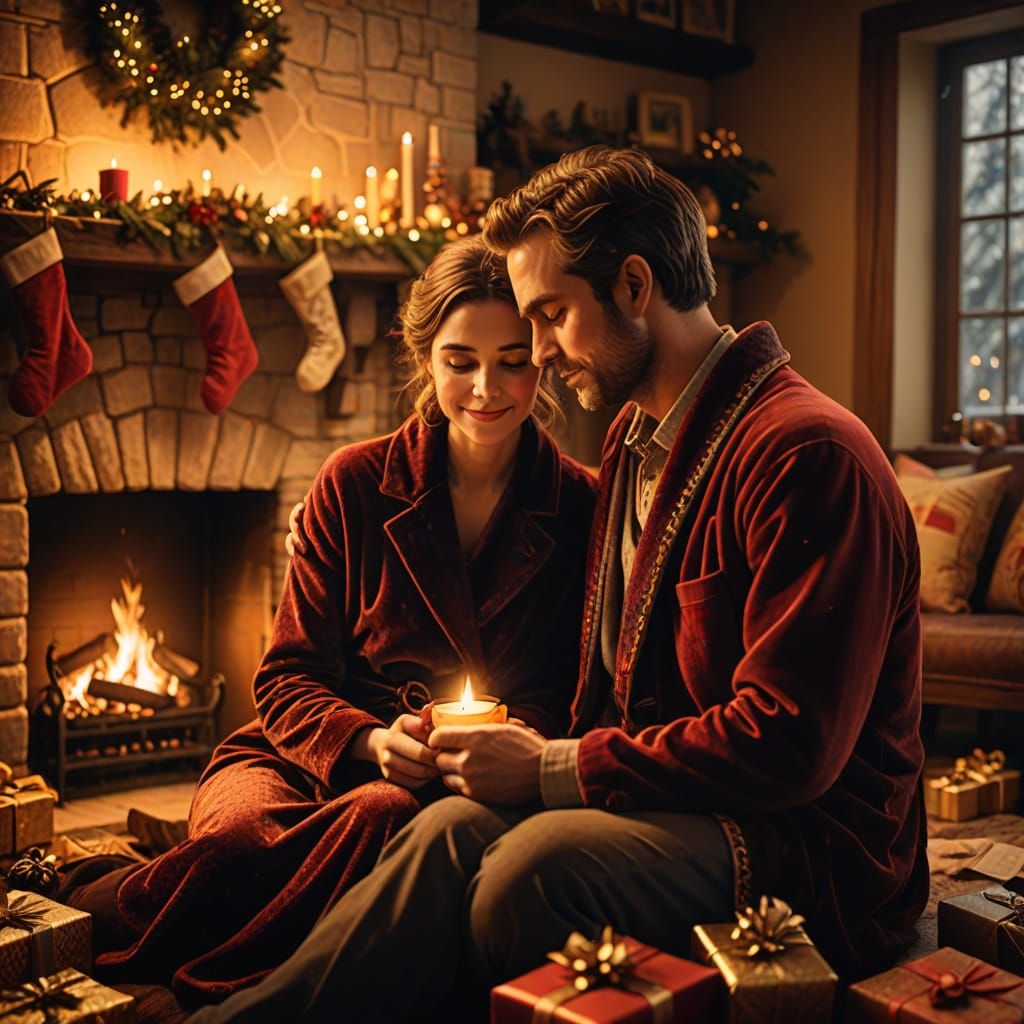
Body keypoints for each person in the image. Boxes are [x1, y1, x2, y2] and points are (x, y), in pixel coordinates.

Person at [191, 147, 928, 1024]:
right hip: (664, 797)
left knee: (520, 876)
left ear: (633, 286)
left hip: (801, 843)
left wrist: (550, 767)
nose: (534, 353)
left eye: (548, 316)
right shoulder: (629, 443)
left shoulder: (806, 454)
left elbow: (790, 749)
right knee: (444, 826)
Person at [71, 236, 596, 1010]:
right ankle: (93, 901)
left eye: (513, 360)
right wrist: (369, 741)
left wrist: (489, 748)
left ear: (544, 359)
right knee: (235, 841)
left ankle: (156, 940)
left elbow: (570, 689)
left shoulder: (581, 505)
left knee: (385, 816)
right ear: (426, 359)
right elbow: (285, 677)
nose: (487, 387)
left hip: (453, 787)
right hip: (304, 755)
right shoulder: (354, 481)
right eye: (460, 361)